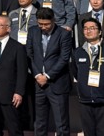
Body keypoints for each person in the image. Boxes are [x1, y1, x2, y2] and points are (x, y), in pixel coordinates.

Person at [71, 17, 104, 136]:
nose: (88, 31)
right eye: (85, 28)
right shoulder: (77, 52)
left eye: (92, 28)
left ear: (100, 32)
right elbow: (75, 72)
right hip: (85, 102)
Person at [26, 8, 71, 136]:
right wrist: (37, 75)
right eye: (40, 24)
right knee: (39, 123)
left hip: (57, 83)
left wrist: (47, 75)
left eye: (46, 24)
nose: (43, 27)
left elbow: (64, 58)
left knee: (61, 123)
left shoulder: (64, 34)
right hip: (38, 83)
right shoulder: (33, 31)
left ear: (53, 21)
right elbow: (29, 54)